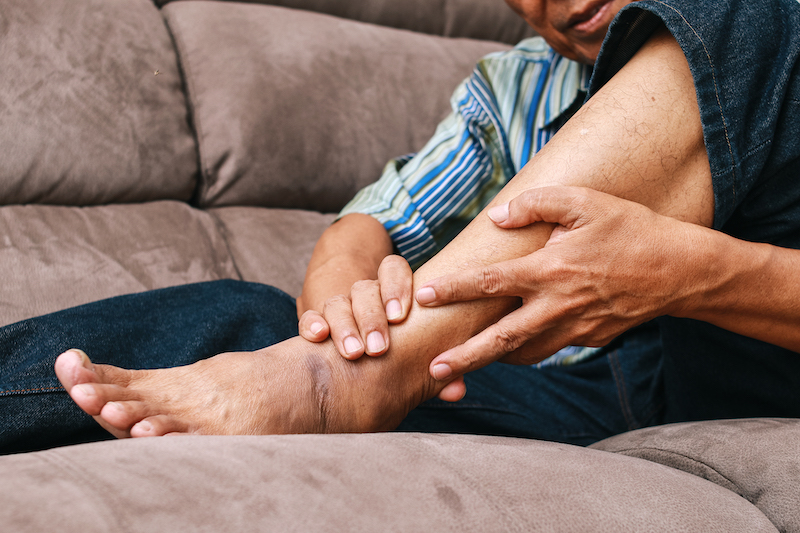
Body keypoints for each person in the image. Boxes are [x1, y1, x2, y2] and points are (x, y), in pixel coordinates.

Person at [1, 0, 799, 455]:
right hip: (585, 389)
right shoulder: (518, 84)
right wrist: (339, 313)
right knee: (248, 320)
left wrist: (700, 276)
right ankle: (340, 377)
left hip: (749, 364)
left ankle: (346, 384)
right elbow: (366, 224)